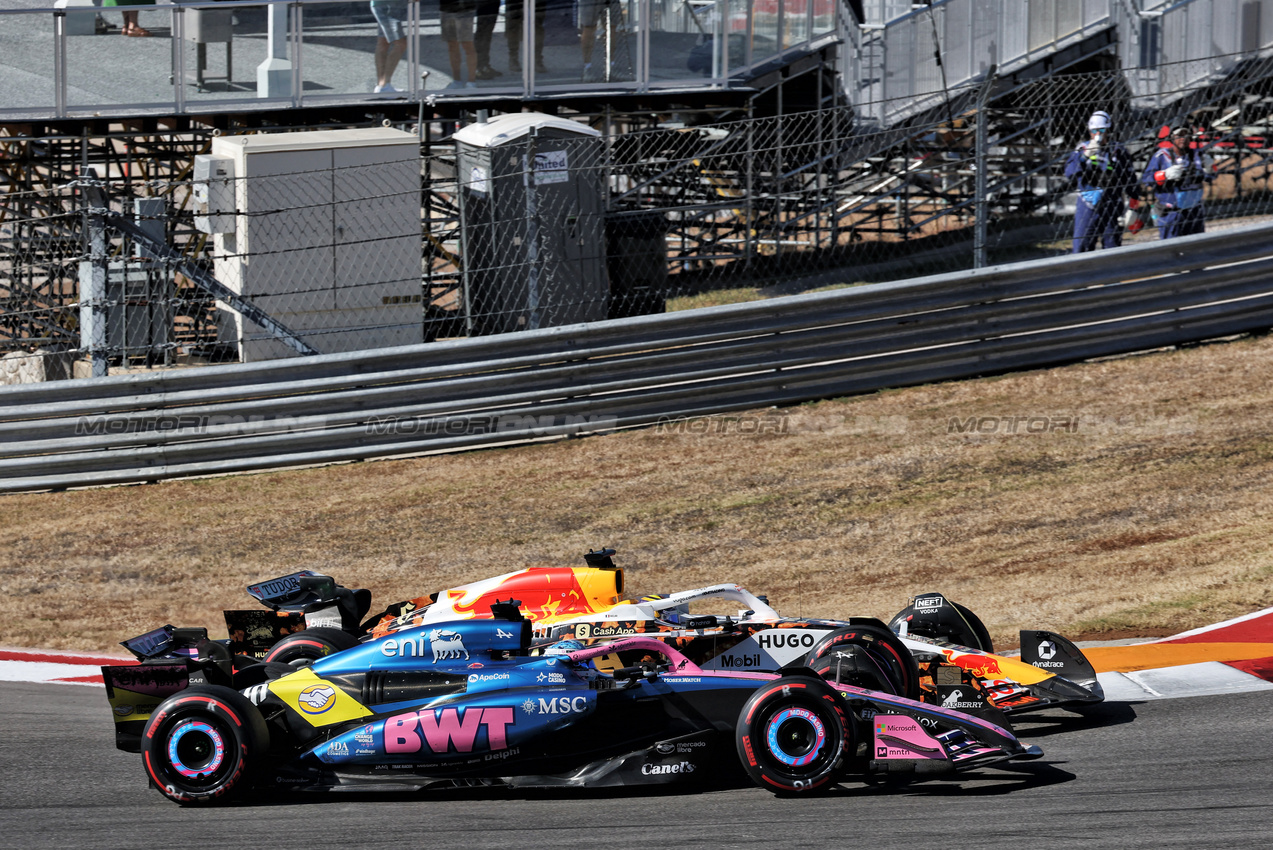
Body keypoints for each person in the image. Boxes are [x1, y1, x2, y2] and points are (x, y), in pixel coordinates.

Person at [1063, 110, 1139, 253]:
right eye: (1094, 131)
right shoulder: (1082, 148)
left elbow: (1131, 182)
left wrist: (1132, 208)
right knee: (1082, 247)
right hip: (1088, 203)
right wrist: (1084, 157)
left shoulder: (1118, 150)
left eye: (1102, 130)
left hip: (1112, 203)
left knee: (1112, 248)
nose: (1098, 134)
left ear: (1108, 130)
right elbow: (1069, 173)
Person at [1141, 125, 1217, 240]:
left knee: (1196, 244)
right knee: (1171, 248)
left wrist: (1210, 168)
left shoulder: (1198, 155)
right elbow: (1147, 179)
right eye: (1179, 135)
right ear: (1172, 138)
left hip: (1194, 211)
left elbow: (1211, 177)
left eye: (1186, 135)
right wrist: (1164, 175)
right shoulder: (1162, 156)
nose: (1183, 138)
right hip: (1171, 212)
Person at [370, 0, 408, 93]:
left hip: (383, 5)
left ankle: (381, 85)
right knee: (400, 44)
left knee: (383, 42)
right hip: (387, 6)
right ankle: (384, 85)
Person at [441, 0, 479, 88]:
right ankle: (456, 81)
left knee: (467, 44)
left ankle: (471, 82)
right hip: (446, 8)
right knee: (452, 45)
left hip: (465, 8)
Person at [474, 0, 503, 80]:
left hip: (492, 4)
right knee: (482, 32)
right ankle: (478, 67)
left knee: (487, 33)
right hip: (484, 4)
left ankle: (484, 65)